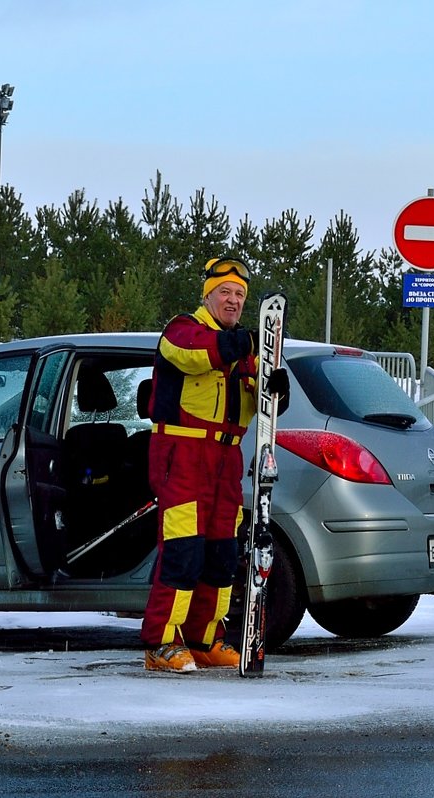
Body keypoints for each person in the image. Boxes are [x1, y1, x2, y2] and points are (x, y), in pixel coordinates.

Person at [141, 256, 289, 672]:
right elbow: (195, 355)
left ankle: (205, 638)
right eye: (225, 292)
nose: (233, 300)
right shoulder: (182, 329)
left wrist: (278, 386)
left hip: (227, 457)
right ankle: (161, 642)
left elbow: (267, 398)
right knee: (182, 550)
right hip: (183, 454)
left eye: (240, 295)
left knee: (222, 553)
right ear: (208, 294)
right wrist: (246, 344)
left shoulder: (244, 349)